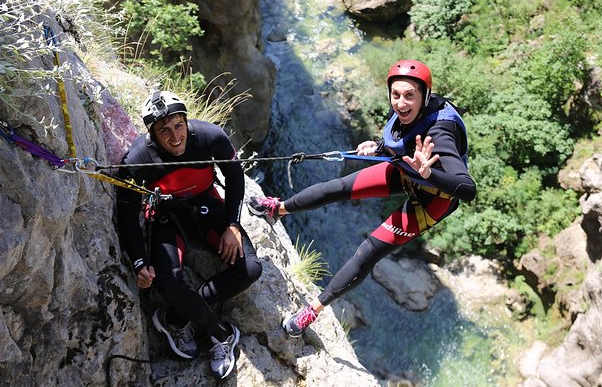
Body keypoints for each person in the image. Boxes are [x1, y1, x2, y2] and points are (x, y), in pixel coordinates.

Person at [248, 59, 476, 337]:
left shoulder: (440, 132)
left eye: (409, 96)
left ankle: (312, 311)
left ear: (425, 96)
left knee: (368, 251)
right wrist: (378, 147)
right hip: (408, 172)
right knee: (338, 187)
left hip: (432, 199)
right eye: (395, 95)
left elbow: (466, 188)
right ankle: (278, 209)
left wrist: (428, 174)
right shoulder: (409, 113)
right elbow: (401, 137)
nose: (400, 103)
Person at [116, 90, 263, 379]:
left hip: (206, 203)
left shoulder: (211, 137)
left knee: (250, 268)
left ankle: (177, 316)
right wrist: (138, 262)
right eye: (164, 130)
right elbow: (126, 215)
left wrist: (233, 224)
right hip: (166, 215)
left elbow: (234, 176)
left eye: (179, 126)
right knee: (167, 281)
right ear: (153, 133)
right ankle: (221, 334)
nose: (174, 137)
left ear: (186, 121)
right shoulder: (137, 159)